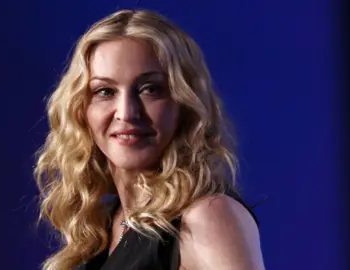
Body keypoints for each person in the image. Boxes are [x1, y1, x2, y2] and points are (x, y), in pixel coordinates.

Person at [34, 9, 265, 270]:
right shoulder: (102, 230)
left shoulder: (207, 215)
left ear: (184, 103)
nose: (127, 113)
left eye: (150, 89)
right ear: (81, 109)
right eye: (105, 91)